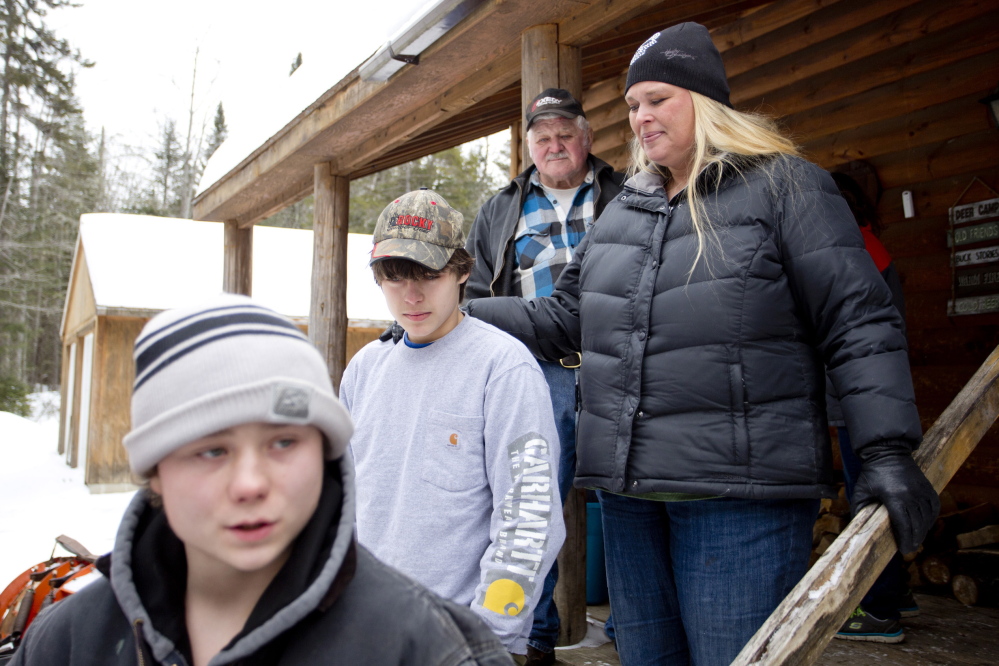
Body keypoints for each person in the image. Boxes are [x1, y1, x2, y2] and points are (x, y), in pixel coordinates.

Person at [465, 22, 940, 666]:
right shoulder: (624, 210)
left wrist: (884, 449)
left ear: (705, 99)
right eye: (632, 106)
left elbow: (857, 320)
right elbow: (567, 317)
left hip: (737, 499)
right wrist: (458, 311)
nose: (640, 118)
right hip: (632, 499)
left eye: (657, 99)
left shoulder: (785, 186)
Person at [11, 295, 512, 666]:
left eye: (283, 443)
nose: (250, 483)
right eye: (211, 450)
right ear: (155, 473)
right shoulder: (68, 644)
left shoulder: (429, 647)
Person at [340, 188, 565, 662]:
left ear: (463, 271)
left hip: (457, 643)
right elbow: (341, 506)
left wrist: (491, 639)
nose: (412, 295)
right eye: (394, 277)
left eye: (429, 275)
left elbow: (529, 520)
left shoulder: (503, 369)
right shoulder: (363, 370)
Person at [465, 87, 624, 665]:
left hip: (617, 369)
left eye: (565, 134)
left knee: (628, 498)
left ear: (586, 140)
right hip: (538, 371)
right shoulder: (499, 208)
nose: (554, 145)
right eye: (543, 137)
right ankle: (535, 636)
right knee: (531, 505)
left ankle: (633, 626)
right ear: (529, 146)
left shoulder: (626, 193)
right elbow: (477, 295)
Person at [829, 171, 918, 643]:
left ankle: (878, 608)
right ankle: (897, 592)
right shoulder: (870, 245)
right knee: (878, 494)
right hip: (868, 395)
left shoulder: (854, 252)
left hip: (860, 399)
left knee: (870, 498)